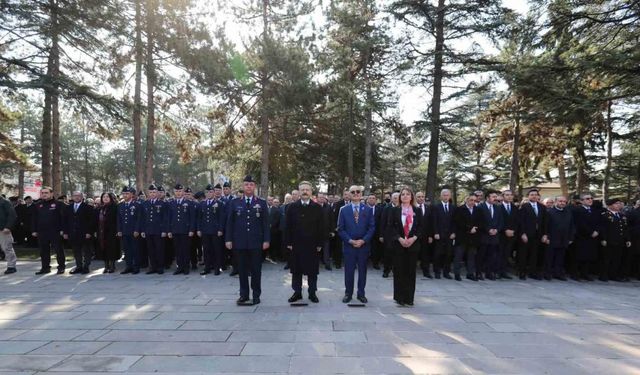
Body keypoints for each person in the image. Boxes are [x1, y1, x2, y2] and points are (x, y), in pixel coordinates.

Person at [225, 175, 270, 305]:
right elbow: (230, 223)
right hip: (239, 242)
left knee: (256, 270)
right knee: (242, 270)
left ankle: (256, 295)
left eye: (251, 184)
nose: (248, 187)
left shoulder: (261, 203)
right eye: (246, 184)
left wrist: (266, 240)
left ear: (254, 186)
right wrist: (228, 239)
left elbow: (265, 224)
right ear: (243, 186)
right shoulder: (235, 202)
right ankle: (243, 294)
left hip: (256, 242)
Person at [285, 181, 325, 303]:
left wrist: (319, 244)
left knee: (312, 271)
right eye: (302, 190)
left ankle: (312, 293)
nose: (305, 192)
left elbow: (321, 227)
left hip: (312, 245)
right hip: (296, 244)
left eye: (307, 189)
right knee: (296, 270)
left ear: (311, 191)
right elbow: (287, 226)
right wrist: (289, 242)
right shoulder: (291, 207)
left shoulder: (317, 207)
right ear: (299, 191)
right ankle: (297, 293)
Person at [337, 185, 375, 304]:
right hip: (349, 246)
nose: (356, 193)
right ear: (349, 194)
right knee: (349, 271)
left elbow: (372, 227)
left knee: (363, 271)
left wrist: (363, 240)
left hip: (363, 246)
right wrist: (350, 240)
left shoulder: (368, 209)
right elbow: (340, 229)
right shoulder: (343, 209)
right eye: (353, 192)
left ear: (361, 194)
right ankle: (348, 293)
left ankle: (361, 294)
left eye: (358, 191)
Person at [389, 187, 422, 306]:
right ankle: (399, 297)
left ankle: (409, 298)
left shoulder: (417, 211)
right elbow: (391, 227)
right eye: (402, 194)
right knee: (399, 271)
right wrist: (399, 238)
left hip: (413, 245)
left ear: (411, 197)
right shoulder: (395, 210)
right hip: (399, 245)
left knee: (410, 272)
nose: (405, 196)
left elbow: (421, 227)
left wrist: (414, 238)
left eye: (408, 194)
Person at [32, 187, 66, 275]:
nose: (44, 194)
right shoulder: (38, 205)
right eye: (42, 193)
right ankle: (45, 268)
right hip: (42, 232)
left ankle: (61, 267)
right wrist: (34, 230)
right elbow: (34, 219)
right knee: (43, 251)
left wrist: (63, 229)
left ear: (51, 194)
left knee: (59, 250)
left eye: (46, 193)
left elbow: (63, 218)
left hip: (56, 231)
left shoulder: (59, 204)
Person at [517, 188, 549, 280]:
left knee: (534, 255)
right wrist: (522, 233)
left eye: (536, 194)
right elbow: (521, 221)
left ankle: (532, 272)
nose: (534, 196)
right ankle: (522, 272)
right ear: (528, 196)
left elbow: (545, 222)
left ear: (538, 196)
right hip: (526, 234)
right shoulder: (524, 206)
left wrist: (545, 234)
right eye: (532, 195)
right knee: (523, 254)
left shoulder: (542, 207)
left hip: (538, 235)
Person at [599, 198, 632, 282]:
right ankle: (604, 275)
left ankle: (613, 275)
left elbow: (625, 229)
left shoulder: (621, 215)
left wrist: (627, 239)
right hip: (609, 240)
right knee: (607, 259)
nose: (618, 205)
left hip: (620, 240)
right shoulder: (605, 215)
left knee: (617, 259)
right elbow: (603, 228)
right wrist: (603, 238)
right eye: (616, 203)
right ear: (610, 205)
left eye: (619, 203)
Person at [63, 191, 96, 274]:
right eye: (75, 196)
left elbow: (91, 221)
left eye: (78, 196)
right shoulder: (68, 207)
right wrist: (65, 232)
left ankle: (86, 266)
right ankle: (79, 266)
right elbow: (65, 221)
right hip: (73, 233)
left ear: (82, 197)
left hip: (85, 233)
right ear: (72, 197)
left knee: (86, 250)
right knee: (76, 251)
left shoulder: (88, 207)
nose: (77, 197)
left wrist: (89, 232)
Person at [452, 194, 483, 281]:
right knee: (458, 255)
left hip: (474, 237)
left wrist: (475, 228)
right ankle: (457, 273)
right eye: (471, 200)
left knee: (471, 256)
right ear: (466, 200)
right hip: (462, 236)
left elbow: (481, 222)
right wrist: (469, 229)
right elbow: (458, 222)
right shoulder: (460, 209)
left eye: (474, 200)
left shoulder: (478, 210)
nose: (473, 202)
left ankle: (470, 273)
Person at [197, 184, 226, 275]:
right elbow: (199, 218)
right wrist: (199, 229)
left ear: (214, 193)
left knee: (216, 250)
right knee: (206, 250)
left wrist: (220, 229)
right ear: (205, 194)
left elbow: (222, 218)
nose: (209, 193)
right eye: (207, 192)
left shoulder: (219, 204)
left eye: (210, 192)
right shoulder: (202, 204)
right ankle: (207, 268)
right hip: (205, 231)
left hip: (215, 231)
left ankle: (217, 268)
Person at [167, 184, 196, 275]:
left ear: (183, 192)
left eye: (180, 191)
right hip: (175, 230)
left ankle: (186, 267)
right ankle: (179, 267)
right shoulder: (171, 203)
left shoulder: (189, 203)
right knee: (178, 249)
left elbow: (192, 218)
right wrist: (169, 230)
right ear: (174, 192)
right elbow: (169, 218)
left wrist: (191, 229)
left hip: (185, 230)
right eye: (176, 191)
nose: (178, 193)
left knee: (185, 249)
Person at [571, 193, 600, 281]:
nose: (590, 200)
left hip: (592, 237)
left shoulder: (594, 210)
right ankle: (575, 274)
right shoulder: (577, 210)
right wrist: (590, 232)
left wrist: (597, 231)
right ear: (581, 201)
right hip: (581, 236)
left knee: (588, 256)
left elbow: (599, 222)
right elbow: (579, 224)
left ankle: (585, 273)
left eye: (591, 198)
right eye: (587, 199)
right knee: (578, 256)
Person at [545, 196, 575, 281]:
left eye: (564, 202)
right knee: (549, 257)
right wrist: (546, 236)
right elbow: (545, 226)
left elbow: (572, 226)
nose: (562, 203)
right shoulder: (550, 212)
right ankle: (547, 273)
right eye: (560, 201)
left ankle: (557, 273)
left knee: (560, 257)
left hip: (564, 239)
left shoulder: (568, 212)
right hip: (552, 238)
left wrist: (571, 238)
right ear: (556, 202)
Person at [140, 184, 168, 274]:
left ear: (157, 193)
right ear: (148, 193)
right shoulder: (145, 204)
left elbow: (165, 218)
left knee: (159, 249)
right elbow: (142, 218)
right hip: (148, 230)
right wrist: (143, 230)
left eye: (154, 192)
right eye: (151, 192)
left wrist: (164, 230)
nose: (152, 194)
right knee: (150, 250)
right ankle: (153, 267)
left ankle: (160, 267)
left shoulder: (162, 204)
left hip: (158, 230)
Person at [477, 190, 503, 280]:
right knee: (481, 255)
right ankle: (479, 272)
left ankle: (489, 273)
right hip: (484, 235)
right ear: (487, 198)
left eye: (496, 197)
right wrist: (488, 229)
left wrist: (496, 230)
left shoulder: (498, 208)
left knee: (491, 255)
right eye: (493, 197)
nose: (495, 199)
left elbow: (501, 221)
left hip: (494, 236)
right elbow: (480, 221)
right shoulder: (480, 207)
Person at [117, 187, 142, 274]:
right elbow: (119, 219)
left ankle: (136, 267)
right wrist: (119, 230)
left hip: (133, 231)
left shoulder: (137, 205)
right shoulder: (120, 205)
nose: (125, 195)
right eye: (124, 194)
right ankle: (128, 266)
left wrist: (137, 230)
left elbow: (139, 219)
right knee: (127, 250)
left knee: (135, 249)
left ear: (131, 195)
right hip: (124, 231)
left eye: (127, 194)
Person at [431, 189, 455, 279]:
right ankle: (437, 271)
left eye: (447, 195)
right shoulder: (436, 207)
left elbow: (454, 222)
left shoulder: (453, 207)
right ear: (441, 196)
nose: (445, 197)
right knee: (438, 253)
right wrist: (436, 232)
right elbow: (434, 221)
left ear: (450, 196)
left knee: (448, 254)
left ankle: (446, 272)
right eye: (444, 195)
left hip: (449, 235)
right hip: (439, 234)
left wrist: (453, 232)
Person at [96, 192, 119, 273]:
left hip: (112, 232)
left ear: (110, 198)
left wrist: (117, 230)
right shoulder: (99, 208)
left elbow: (117, 220)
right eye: (104, 197)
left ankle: (112, 266)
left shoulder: (115, 207)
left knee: (111, 249)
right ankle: (106, 266)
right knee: (103, 248)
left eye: (107, 197)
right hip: (102, 232)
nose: (105, 198)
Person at [497, 190, 517, 279]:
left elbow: (518, 221)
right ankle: (496, 271)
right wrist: (505, 230)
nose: (509, 197)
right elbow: (498, 221)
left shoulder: (515, 208)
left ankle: (503, 271)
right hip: (501, 234)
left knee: (507, 254)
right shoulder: (498, 207)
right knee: (499, 254)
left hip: (511, 235)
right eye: (507, 195)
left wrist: (513, 231)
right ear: (503, 196)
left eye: (511, 195)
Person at [379, 192, 399, 278]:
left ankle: (396, 271)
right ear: (391, 199)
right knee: (388, 254)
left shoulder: (403, 208)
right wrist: (381, 235)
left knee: (397, 254)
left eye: (397, 197)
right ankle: (386, 270)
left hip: (399, 236)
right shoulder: (387, 208)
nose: (396, 199)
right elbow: (382, 222)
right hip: (388, 235)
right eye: (394, 198)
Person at [415, 191, 433, 278]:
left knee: (425, 254)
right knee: (413, 254)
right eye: (419, 197)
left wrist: (430, 235)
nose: (421, 198)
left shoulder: (428, 208)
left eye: (422, 197)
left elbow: (431, 223)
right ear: (415, 198)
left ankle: (426, 272)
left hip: (425, 236)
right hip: (414, 236)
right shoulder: (412, 208)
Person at [0, 194, 18, 274]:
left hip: (3, 229)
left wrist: (8, 227)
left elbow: (12, 215)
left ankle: (11, 266)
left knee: (7, 247)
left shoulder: (5, 202)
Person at [366, 193, 383, 270]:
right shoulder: (363, 208)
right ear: (367, 200)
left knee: (376, 249)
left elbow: (382, 221)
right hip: (365, 233)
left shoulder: (380, 209)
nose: (371, 199)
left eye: (373, 198)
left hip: (376, 233)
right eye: (370, 198)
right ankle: (363, 263)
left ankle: (375, 263)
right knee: (365, 248)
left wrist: (381, 234)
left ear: (376, 200)